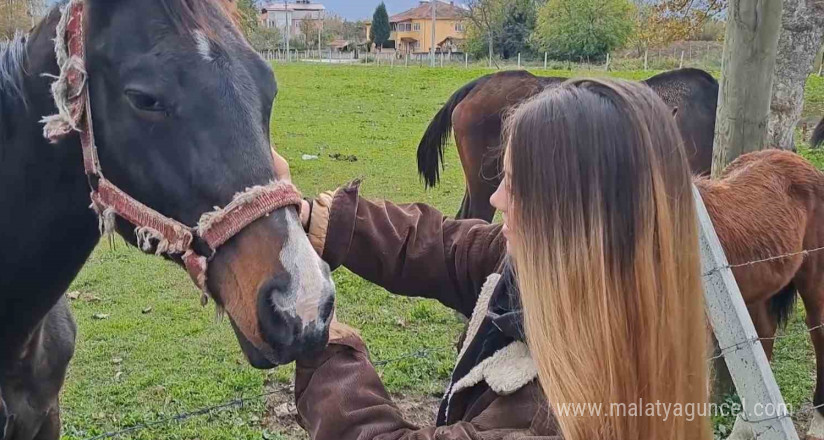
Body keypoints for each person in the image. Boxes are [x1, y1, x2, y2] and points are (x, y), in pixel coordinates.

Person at [273, 78, 713, 440]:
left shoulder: (547, 417)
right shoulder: (614, 284)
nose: (497, 198)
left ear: (572, 216)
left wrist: (323, 340)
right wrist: (323, 220)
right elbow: (451, 248)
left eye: (517, 185)